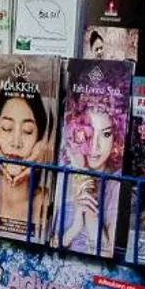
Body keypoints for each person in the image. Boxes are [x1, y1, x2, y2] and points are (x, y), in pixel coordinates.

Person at [0, 68, 55, 241]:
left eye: (28, 131)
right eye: (6, 128)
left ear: (40, 140)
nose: (16, 142)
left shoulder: (47, 203)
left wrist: (49, 145)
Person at [58, 92, 124, 255]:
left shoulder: (117, 182)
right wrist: (74, 229)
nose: (95, 146)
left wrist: (84, 181)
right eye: (88, 132)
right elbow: (53, 242)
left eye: (106, 134)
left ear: (116, 137)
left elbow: (104, 252)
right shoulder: (64, 168)